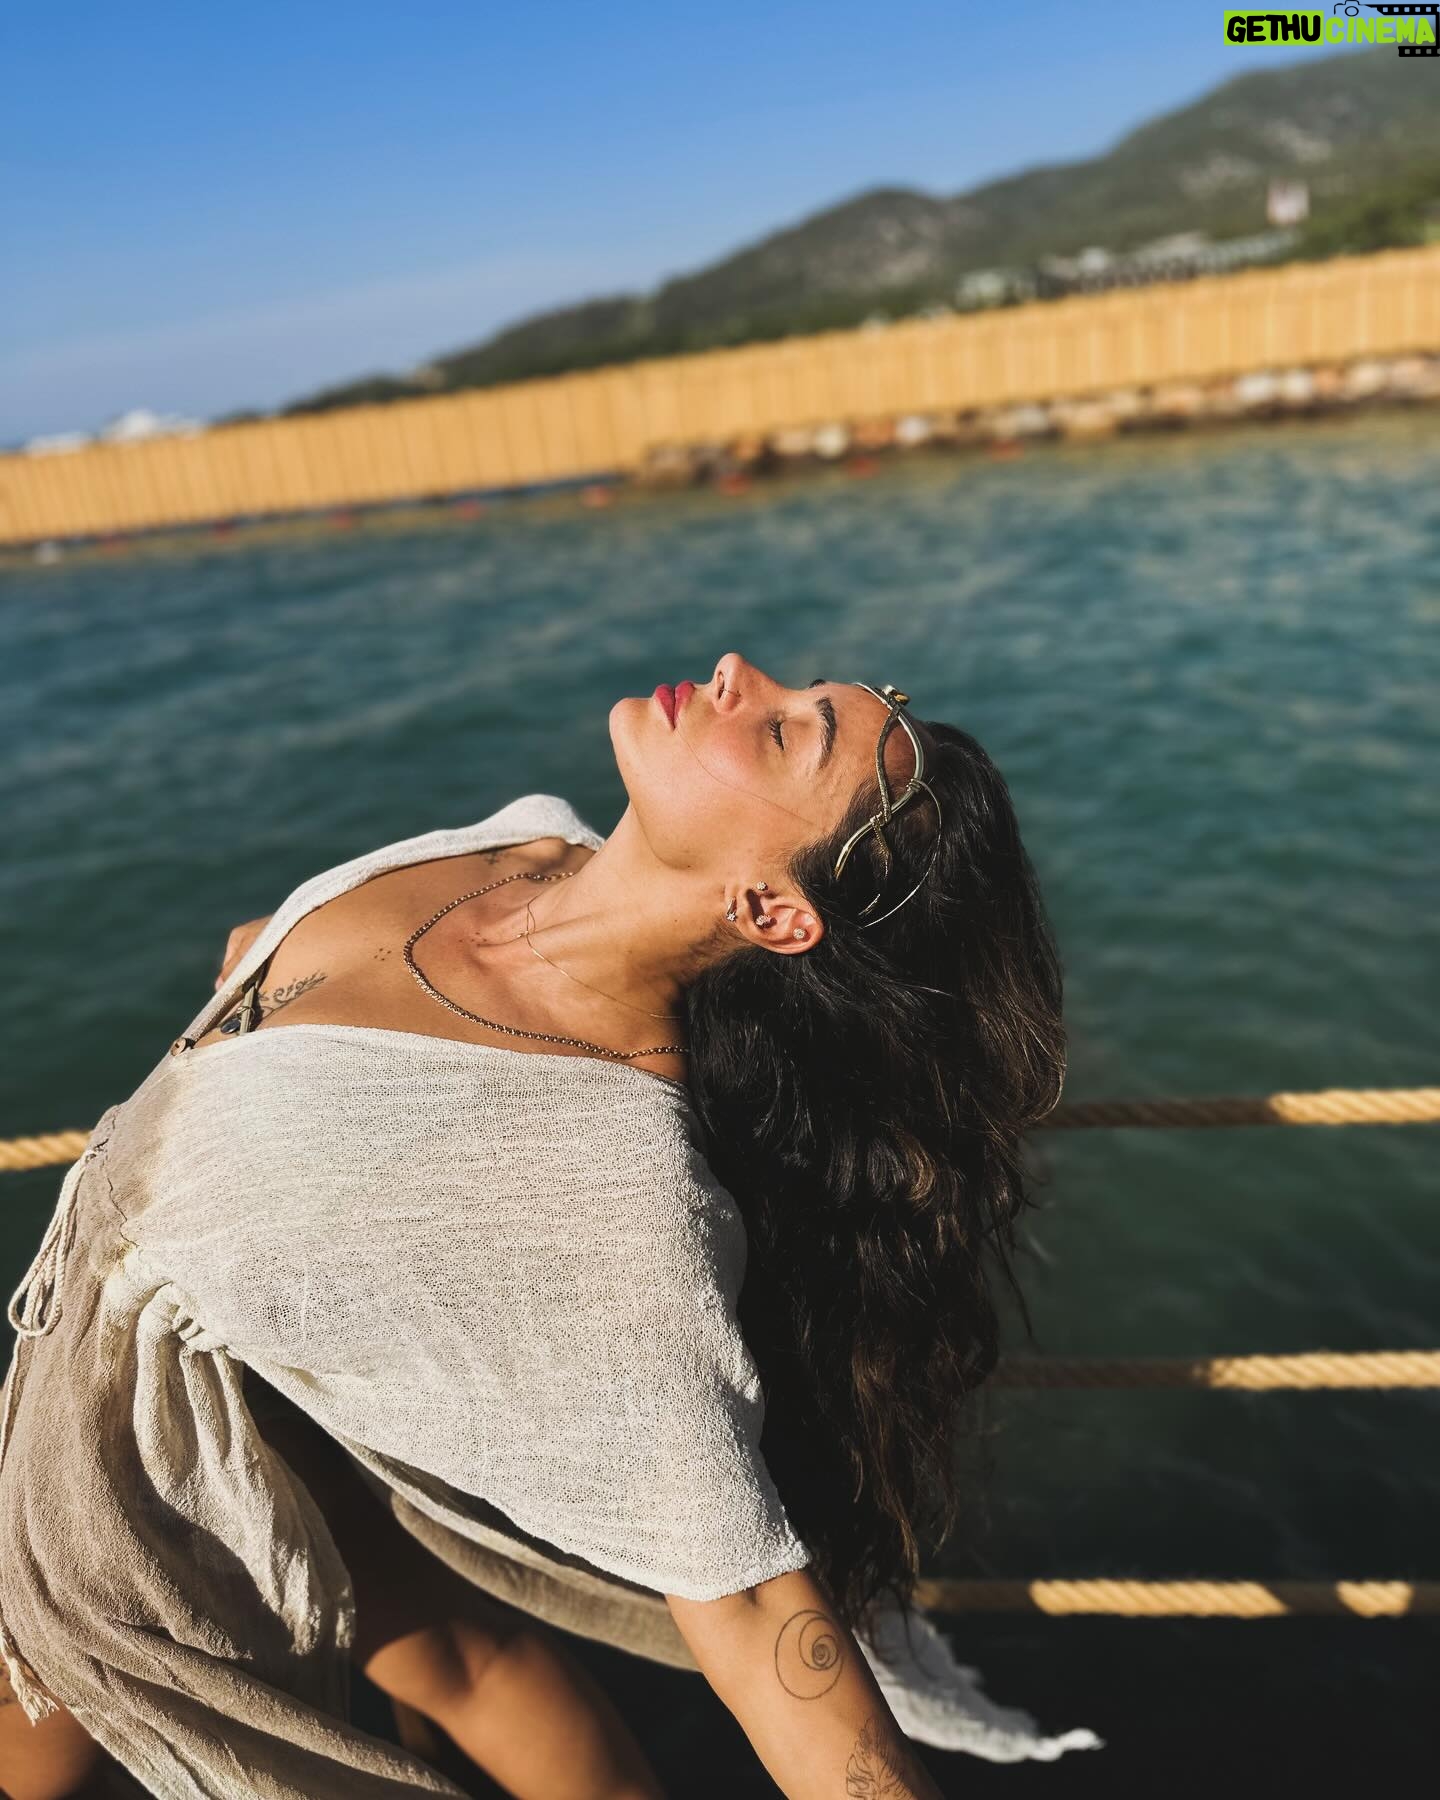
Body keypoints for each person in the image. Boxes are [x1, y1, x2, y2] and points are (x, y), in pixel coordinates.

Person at [0, 652, 1101, 1797]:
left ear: (769, 910)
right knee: (456, 1657)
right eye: (789, 690)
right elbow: (255, 956)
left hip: (118, 1473)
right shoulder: (523, 840)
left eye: (785, 731)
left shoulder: (607, 1190)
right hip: (259, 1394)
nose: (738, 672)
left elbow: (756, 1611)